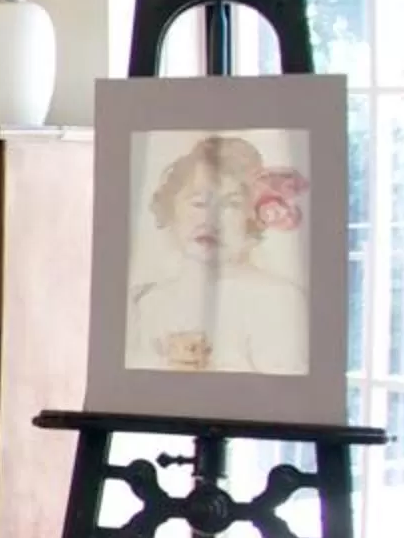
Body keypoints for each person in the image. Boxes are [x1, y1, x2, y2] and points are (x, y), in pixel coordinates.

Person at [126, 134, 309, 375]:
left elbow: (287, 391)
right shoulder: (146, 302)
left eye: (230, 205)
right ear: (171, 208)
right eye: (199, 203)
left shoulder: (278, 298)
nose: (210, 218)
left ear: (252, 217)